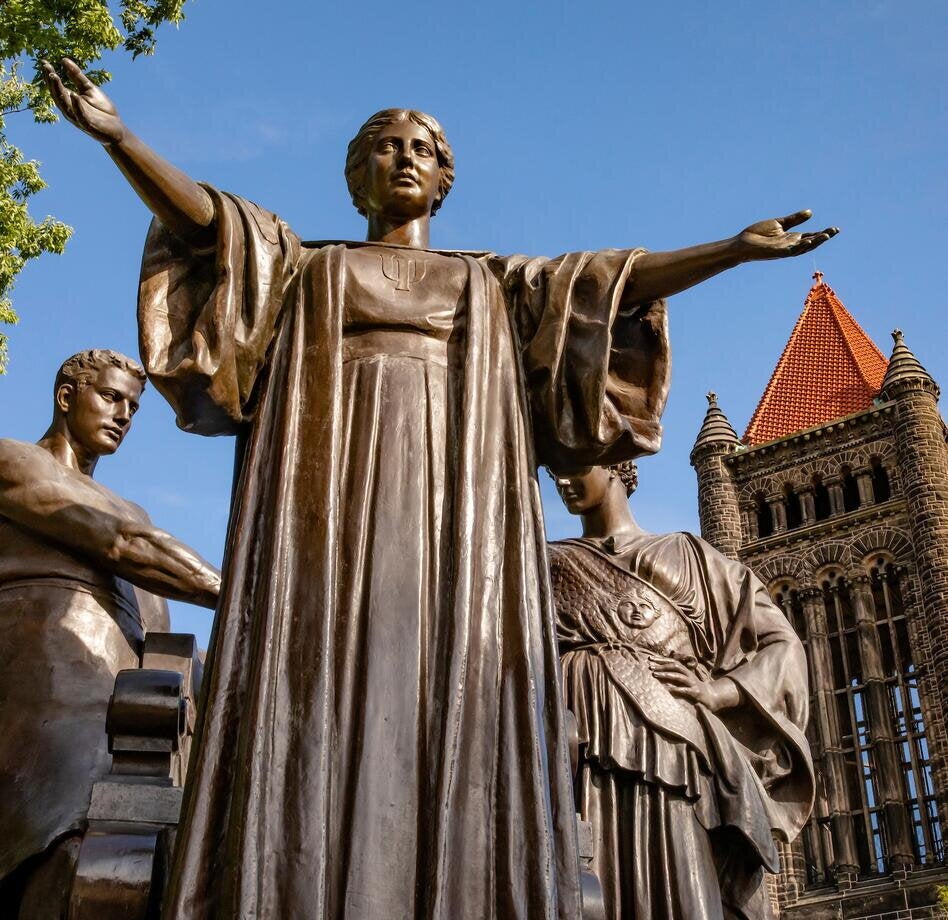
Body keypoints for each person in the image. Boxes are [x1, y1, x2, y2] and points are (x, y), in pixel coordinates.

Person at [41, 57, 834, 920]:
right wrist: (120, 139)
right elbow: (210, 227)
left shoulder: (486, 284)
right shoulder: (312, 270)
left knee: (454, 694)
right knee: (318, 684)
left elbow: (603, 284)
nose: (405, 158)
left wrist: (729, 251)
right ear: (357, 176)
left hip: (454, 531)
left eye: (422, 147)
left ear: (445, 178)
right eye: (385, 147)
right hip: (330, 512)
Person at [0, 349, 221, 918]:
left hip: (128, 736)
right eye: (110, 397)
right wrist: (246, 595)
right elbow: (121, 544)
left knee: (119, 878)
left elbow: (162, 644)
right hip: (40, 707)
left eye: (133, 406)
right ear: (66, 396)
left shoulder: (136, 510)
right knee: (56, 855)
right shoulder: (14, 462)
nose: (123, 414)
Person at [549, 462, 813, 919]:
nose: (564, 481)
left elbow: (782, 642)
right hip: (579, 742)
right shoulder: (544, 561)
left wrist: (723, 691)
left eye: (577, 465)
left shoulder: (691, 555)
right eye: (556, 472)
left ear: (616, 466)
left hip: (674, 747)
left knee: (682, 884)